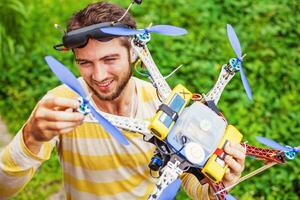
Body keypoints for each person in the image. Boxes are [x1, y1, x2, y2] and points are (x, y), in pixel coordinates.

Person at [0, 1, 246, 199]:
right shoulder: (62, 103)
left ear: (133, 52)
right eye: (85, 63)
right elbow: (4, 189)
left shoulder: (162, 104)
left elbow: (195, 185)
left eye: (109, 59)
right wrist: (31, 138)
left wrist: (220, 184)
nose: (98, 76)